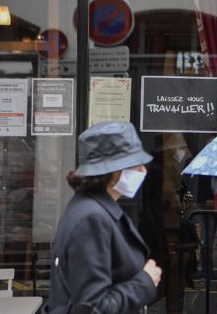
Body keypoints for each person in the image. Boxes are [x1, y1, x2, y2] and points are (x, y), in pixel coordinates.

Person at [47, 121, 162, 314]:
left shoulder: (89, 208)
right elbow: (92, 308)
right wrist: (145, 282)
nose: (143, 170)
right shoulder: (92, 218)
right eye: (136, 164)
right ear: (114, 171)